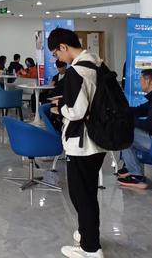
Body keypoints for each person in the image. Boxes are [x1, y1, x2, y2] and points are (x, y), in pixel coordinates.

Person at [48, 27, 106, 258]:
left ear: (63, 47)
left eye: (56, 53)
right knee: (88, 192)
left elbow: (77, 111)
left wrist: (61, 108)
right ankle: (86, 233)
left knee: (82, 196)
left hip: (83, 143)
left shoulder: (77, 71)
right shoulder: (97, 64)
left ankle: (91, 249)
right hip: (99, 139)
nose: (58, 58)